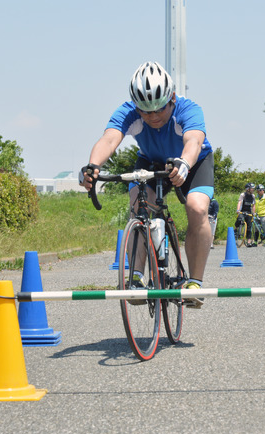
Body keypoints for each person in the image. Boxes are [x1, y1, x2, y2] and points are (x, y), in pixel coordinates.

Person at [80, 61, 213, 308]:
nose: (153, 117)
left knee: (196, 208)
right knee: (138, 204)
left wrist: (184, 163)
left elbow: (193, 140)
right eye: (145, 111)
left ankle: (195, 282)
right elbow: (109, 140)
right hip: (151, 161)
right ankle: (137, 278)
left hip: (192, 162)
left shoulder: (189, 109)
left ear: (171, 98)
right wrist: (93, 166)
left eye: (159, 109)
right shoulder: (128, 111)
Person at [235, 183, 256, 247]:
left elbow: (253, 205)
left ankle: (249, 241)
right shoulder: (243, 195)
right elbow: (239, 202)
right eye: (252, 188)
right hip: (242, 211)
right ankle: (235, 230)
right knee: (239, 219)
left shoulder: (253, 196)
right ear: (248, 189)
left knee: (249, 226)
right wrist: (238, 210)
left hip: (249, 211)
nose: (253, 190)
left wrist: (253, 213)